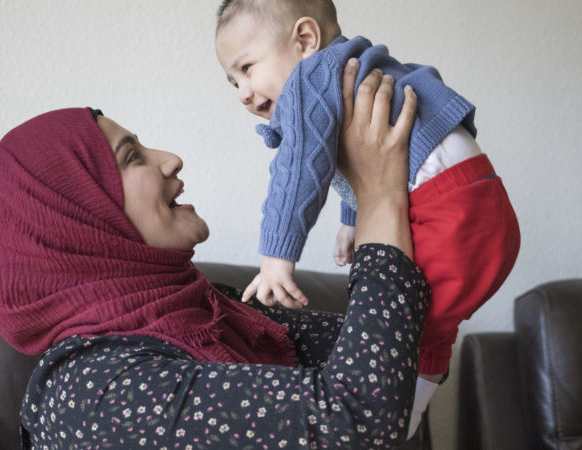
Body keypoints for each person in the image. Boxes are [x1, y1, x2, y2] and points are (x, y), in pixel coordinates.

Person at [0, 68, 429, 448]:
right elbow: (359, 417)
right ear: (76, 224)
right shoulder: (100, 392)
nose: (169, 158)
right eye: (132, 157)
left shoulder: (205, 313)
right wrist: (380, 193)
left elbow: (396, 353)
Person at [214, 0, 520, 427]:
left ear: (305, 40)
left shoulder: (308, 78)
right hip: (478, 197)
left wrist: (275, 259)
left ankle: (399, 419)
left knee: (410, 325)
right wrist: (352, 219)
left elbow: (300, 165)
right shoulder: (353, 68)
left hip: (445, 211)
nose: (244, 93)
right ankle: (404, 413)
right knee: (429, 322)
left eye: (247, 68)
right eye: (232, 83)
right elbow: (357, 153)